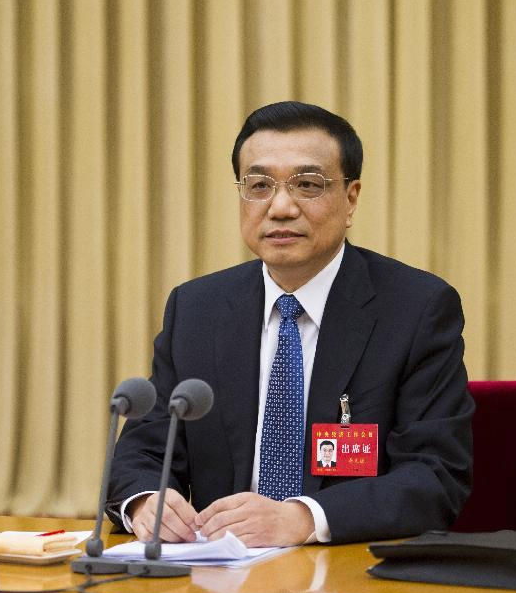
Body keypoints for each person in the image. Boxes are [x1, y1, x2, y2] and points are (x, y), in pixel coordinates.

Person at [107, 101, 473, 546]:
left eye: (307, 185)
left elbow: (434, 477)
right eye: (259, 185)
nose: (280, 207)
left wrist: (302, 519)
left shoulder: (416, 309)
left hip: (350, 580)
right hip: (219, 586)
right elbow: (144, 449)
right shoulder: (197, 309)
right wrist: (147, 502)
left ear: (351, 198)